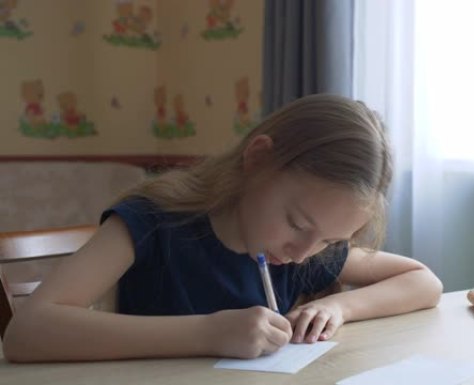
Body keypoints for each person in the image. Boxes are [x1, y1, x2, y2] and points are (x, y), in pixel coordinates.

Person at [3, 94, 443, 362]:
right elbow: (28, 333)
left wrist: (338, 309)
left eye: (329, 240)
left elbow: (423, 281)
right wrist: (207, 333)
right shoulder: (155, 219)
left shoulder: (304, 248)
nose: (302, 252)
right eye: (297, 223)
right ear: (257, 159)